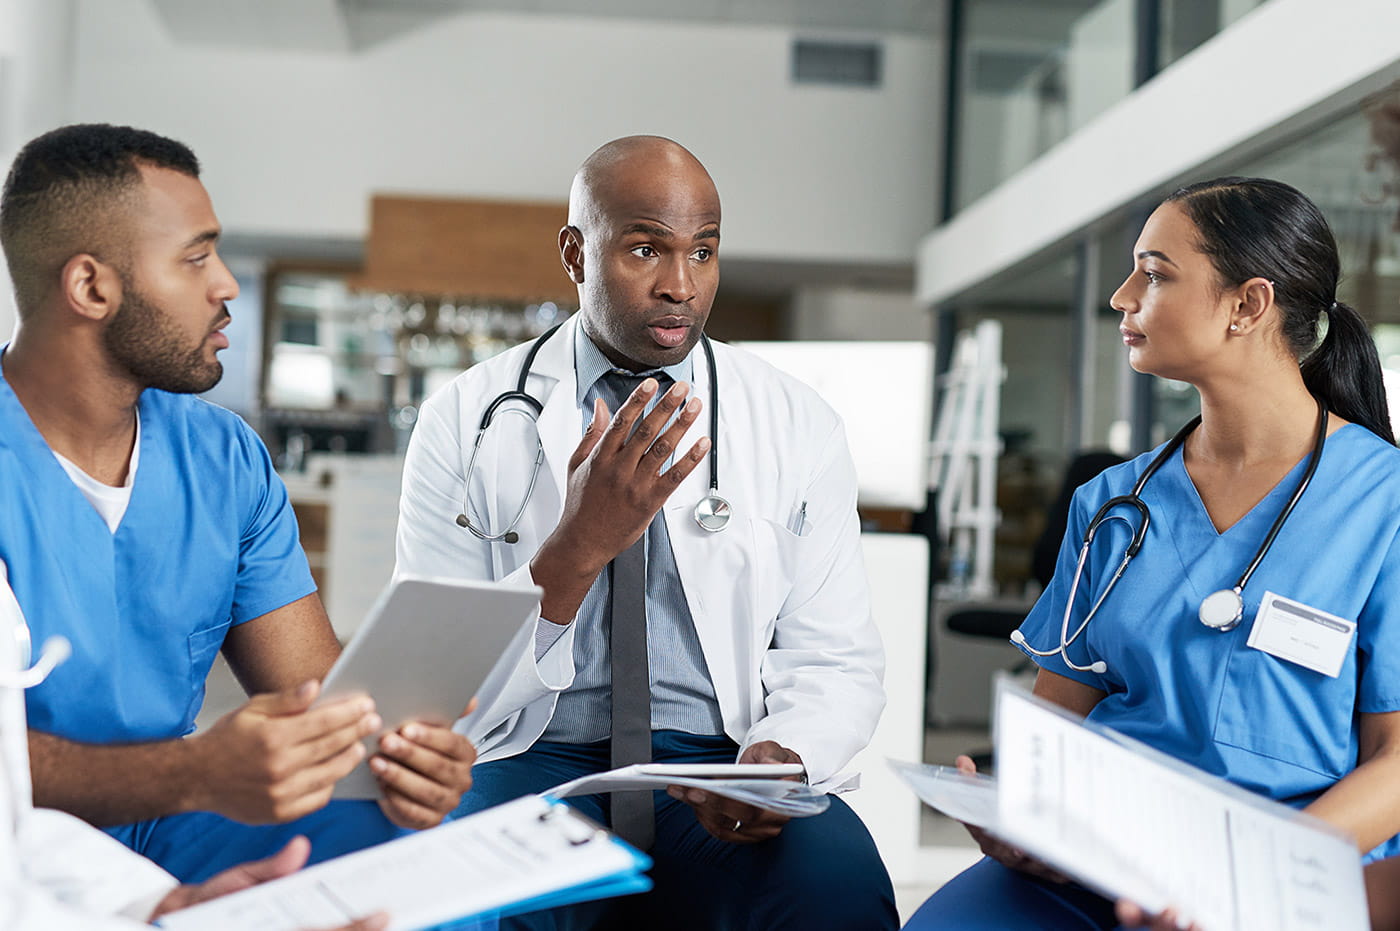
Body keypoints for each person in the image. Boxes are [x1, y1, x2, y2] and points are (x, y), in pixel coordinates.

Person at [395, 135, 897, 930]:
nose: (680, 284)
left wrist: (785, 756)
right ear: (575, 253)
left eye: (703, 251)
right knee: (452, 902)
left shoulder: (797, 422)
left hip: (717, 761)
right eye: (644, 249)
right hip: (528, 758)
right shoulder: (464, 417)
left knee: (837, 886)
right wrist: (578, 546)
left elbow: (835, 654)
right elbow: (430, 676)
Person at [906, 177, 1400, 929]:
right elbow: (1058, 722)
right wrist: (1026, 818)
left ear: (1248, 305)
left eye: (1156, 274)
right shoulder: (1111, 503)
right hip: (1097, 861)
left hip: (1284, 873)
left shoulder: (1383, 502)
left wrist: (1252, 878)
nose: (1121, 296)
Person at [0, 124, 477, 887]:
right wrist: (192, 771)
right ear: (90, 287)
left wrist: (399, 758)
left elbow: (316, 700)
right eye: (196, 258)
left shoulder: (223, 458)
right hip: (20, 839)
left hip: (166, 820)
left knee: (418, 840)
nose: (226, 285)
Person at [0, 560, 387, 931]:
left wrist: (160, 905)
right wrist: (195, 771)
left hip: (96, 847)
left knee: (381, 812)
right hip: (85, 820)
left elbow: (13, 820)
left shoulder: (237, 513)